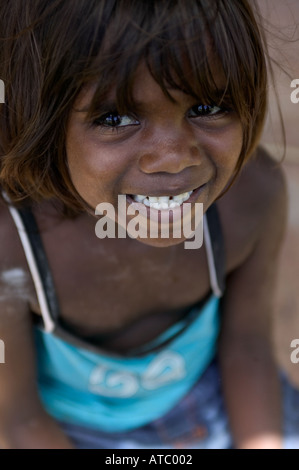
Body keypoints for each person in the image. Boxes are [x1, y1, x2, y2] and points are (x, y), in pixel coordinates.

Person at [0, 0, 298, 450]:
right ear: (36, 119)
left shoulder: (252, 199)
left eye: (208, 105)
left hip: (214, 401)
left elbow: (248, 349)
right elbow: (18, 417)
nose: (174, 156)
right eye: (115, 118)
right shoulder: (11, 242)